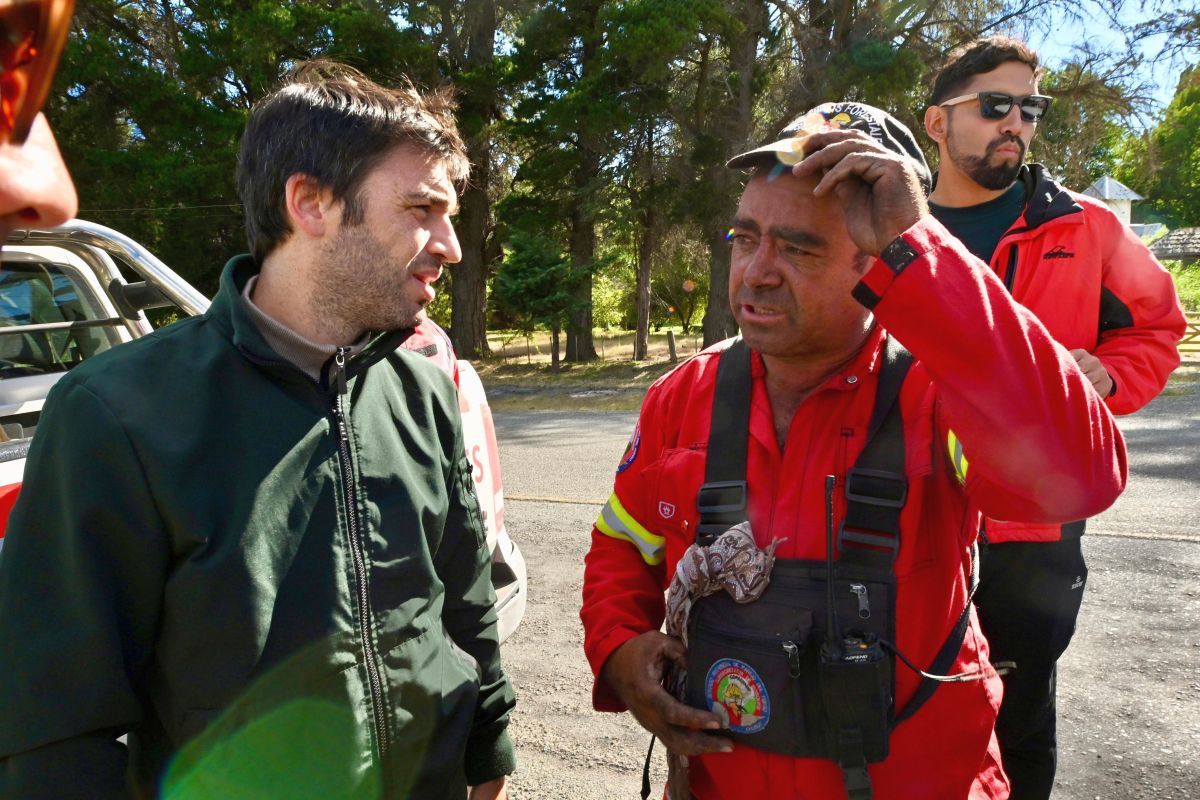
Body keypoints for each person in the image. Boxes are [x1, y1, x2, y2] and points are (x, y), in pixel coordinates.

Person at [580, 101, 1127, 799]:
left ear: (877, 258)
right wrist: (619, 645)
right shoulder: (682, 396)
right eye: (745, 238)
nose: (758, 272)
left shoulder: (943, 388)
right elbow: (620, 543)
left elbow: (1076, 480)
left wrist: (924, 246)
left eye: (800, 247)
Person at [0, 60, 515, 799]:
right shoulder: (115, 414)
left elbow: (466, 600)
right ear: (309, 202)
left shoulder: (423, 390)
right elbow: (55, 730)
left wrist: (486, 751)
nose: (450, 245)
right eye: (421, 209)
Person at [923, 37, 1186, 798]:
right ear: (938, 123)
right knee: (897, 703)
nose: (1017, 123)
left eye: (1028, 108)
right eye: (995, 106)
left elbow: (1157, 330)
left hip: (1033, 534)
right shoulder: (893, 227)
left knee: (1019, 714)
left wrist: (1106, 376)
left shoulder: (1088, 227)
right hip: (901, 514)